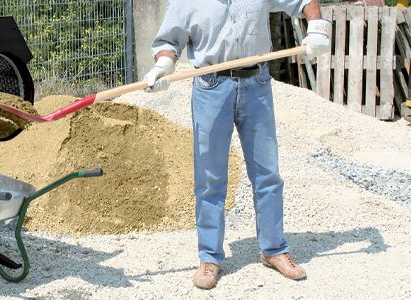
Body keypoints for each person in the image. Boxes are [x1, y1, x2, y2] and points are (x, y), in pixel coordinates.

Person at [142, 0, 331, 290]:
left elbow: (305, 2)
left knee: (267, 173)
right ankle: (209, 257)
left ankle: (274, 249)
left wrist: (317, 29)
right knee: (210, 179)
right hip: (210, 88)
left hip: (257, 84)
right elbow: (169, 41)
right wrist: (163, 65)